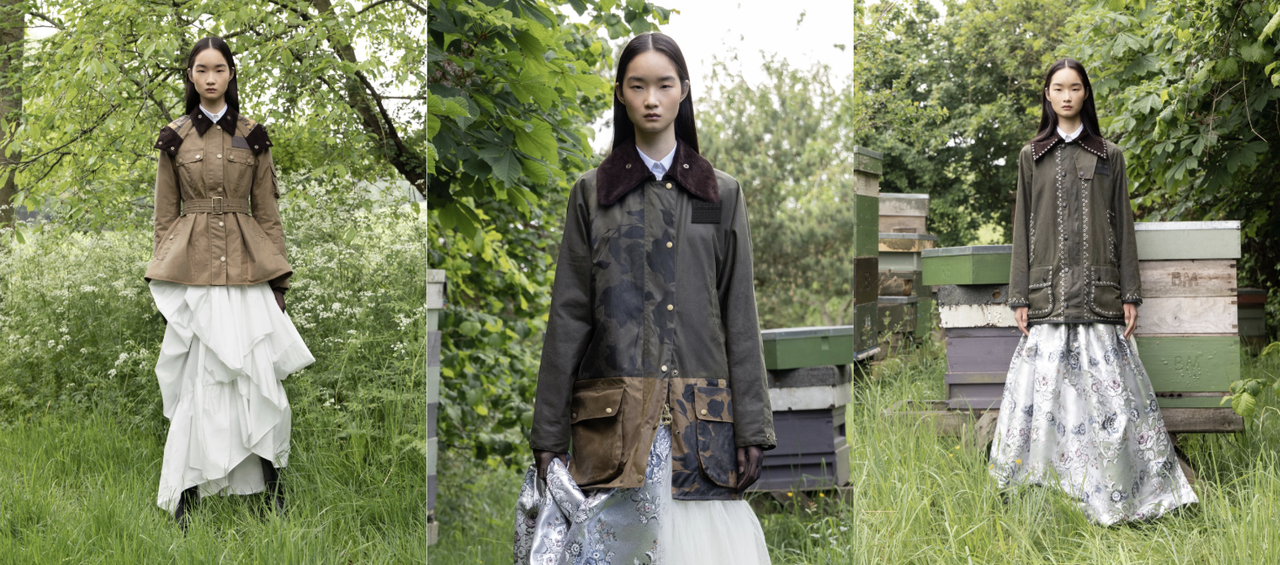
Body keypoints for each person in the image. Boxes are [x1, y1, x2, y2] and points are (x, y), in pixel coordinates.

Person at [527, 32, 775, 563]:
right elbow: (568, 315)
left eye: (664, 85)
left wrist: (753, 426)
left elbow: (739, 315)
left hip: (701, 427)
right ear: (621, 93)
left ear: (683, 90)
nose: (651, 99)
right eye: (638, 86)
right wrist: (547, 433)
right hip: (612, 429)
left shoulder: (721, 194)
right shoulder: (592, 194)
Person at [989, 58, 1197, 525]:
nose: (1066, 96)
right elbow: (1022, 229)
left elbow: (1124, 226)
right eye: (1058, 88)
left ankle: (1120, 494)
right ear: (1047, 94)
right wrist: (1019, 296)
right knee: (1043, 407)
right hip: (1046, 299)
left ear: (1086, 94)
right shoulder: (1031, 156)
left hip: (1100, 300)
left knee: (1113, 408)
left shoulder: (1110, 156)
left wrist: (1130, 294)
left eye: (1075, 88)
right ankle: (1040, 497)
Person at [144, 36, 315, 531]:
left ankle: (271, 498)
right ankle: (188, 500)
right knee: (200, 381)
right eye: (202, 69)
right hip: (194, 272)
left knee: (257, 379)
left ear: (231, 74)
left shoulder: (253, 136)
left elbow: (268, 214)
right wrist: (167, 286)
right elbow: (163, 219)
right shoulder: (173, 139)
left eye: (220, 69)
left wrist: (278, 281)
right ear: (191, 76)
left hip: (247, 271)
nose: (211, 77)